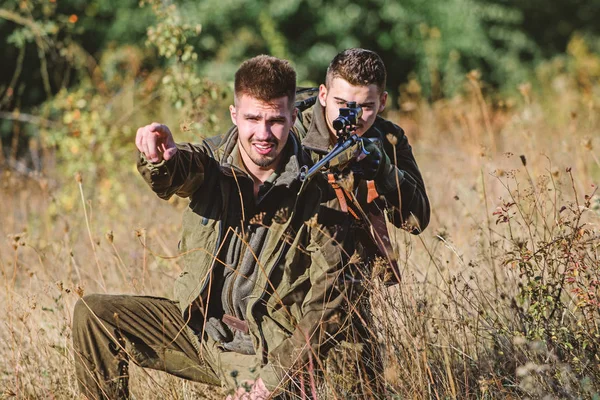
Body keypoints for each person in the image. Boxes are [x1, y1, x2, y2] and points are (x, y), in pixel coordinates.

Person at [72, 55, 360, 399]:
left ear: (293, 116)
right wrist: (159, 156)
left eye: (275, 121)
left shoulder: (317, 189)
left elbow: (326, 305)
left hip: (262, 351)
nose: (263, 134)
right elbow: (179, 170)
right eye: (252, 118)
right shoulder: (213, 163)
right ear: (234, 115)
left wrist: (273, 379)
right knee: (95, 314)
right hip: (199, 331)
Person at [298, 48, 430, 257]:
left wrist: (384, 171)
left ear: (383, 102)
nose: (351, 116)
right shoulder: (291, 132)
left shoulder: (388, 137)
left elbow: (417, 222)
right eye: (341, 103)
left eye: (365, 107)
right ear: (323, 95)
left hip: (354, 273)